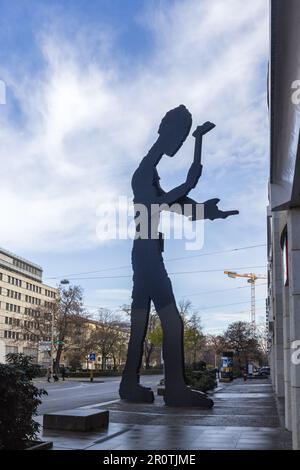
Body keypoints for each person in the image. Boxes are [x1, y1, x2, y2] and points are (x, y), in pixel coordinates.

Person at [119, 105, 238, 407]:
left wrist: (209, 211)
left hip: (145, 254)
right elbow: (172, 198)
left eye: (184, 139)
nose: (179, 143)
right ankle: (173, 389)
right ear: (164, 131)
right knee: (171, 323)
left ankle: (129, 385)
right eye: (179, 136)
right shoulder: (143, 172)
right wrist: (199, 143)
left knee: (141, 323)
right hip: (147, 256)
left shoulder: (152, 174)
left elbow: (179, 205)